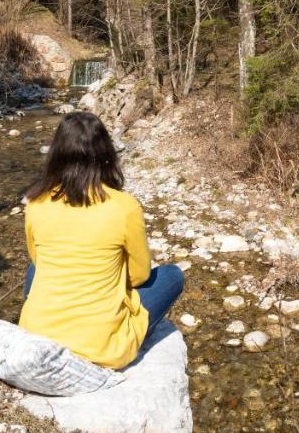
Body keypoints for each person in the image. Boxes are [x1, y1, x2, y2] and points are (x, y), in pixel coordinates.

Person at [18, 111, 184, 369]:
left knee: (35, 269)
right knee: (173, 275)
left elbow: (37, 260)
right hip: (102, 348)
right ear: (106, 154)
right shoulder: (124, 206)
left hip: (36, 338)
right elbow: (139, 277)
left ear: (56, 155)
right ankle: (130, 334)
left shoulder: (36, 202)